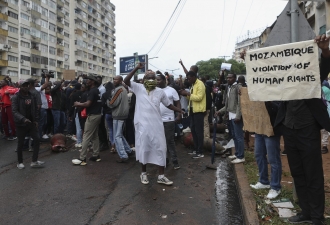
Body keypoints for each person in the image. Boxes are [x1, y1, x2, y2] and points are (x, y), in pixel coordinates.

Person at [274, 35, 330, 225]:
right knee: (298, 173)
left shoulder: (311, 76)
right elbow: (263, 77)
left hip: (308, 130)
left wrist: (325, 50)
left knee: (313, 174)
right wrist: (249, 58)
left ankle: (316, 217)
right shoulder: (283, 80)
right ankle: (306, 212)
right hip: (289, 130)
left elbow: (324, 67)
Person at [123, 63, 184, 185]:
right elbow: (126, 80)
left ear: (157, 80)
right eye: (148, 78)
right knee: (144, 148)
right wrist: (136, 68)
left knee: (161, 148)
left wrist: (179, 110)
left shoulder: (160, 92)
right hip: (142, 126)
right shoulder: (138, 88)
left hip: (157, 125)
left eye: (153, 78)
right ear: (143, 80)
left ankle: (161, 176)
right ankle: (143, 173)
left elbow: (168, 104)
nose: (151, 80)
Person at [249, 101, 282, 199]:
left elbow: (280, 110)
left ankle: (275, 187)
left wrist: (271, 103)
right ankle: (263, 181)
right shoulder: (259, 91)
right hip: (260, 128)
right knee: (259, 155)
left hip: (272, 129)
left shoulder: (277, 92)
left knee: (273, 159)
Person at [12, 80, 44, 169]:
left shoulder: (32, 96)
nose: (25, 87)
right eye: (23, 86)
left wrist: (36, 120)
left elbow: (36, 109)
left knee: (37, 139)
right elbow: (14, 111)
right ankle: (20, 162)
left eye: (27, 85)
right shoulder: (16, 97)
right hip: (21, 124)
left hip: (31, 123)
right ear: (19, 87)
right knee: (20, 143)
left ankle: (34, 161)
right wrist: (23, 119)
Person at [72, 75, 102, 165]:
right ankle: (96, 155)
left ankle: (82, 158)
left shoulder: (92, 91)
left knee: (86, 136)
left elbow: (88, 104)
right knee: (95, 136)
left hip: (93, 116)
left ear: (93, 82)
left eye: (88, 80)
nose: (86, 81)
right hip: (97, 115)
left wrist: (78, 104)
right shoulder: (96, 90)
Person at [215, 73, 244, 164]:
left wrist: (238, 116)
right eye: (227, 78)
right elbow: (227, 104)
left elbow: (240, 103)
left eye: (230, 77)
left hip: (235, 115)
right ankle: (237, 153)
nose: (228, 79)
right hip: (230, 115)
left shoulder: (238, 87)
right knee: (234, 136)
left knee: (239, 136)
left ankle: (241, 156)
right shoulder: (229, 87)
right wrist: (221, 111)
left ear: (235, 78)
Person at [179, 71, 206, 159]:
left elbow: (199, 97)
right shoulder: (193, 85)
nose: (188, 80)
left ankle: (200, 151)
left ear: (194, 76)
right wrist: (185, 94)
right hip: (193, 111)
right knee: (193, 131)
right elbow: (191, 98)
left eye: (189, 78)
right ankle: (196, 149)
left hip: (198, 112)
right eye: (187, 78)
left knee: (199, 132)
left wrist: (188, 94)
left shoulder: (200, 84)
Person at [157, 74, 181, 169]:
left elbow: (177, 103)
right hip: (157, 120)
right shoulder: (155, 91)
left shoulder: (171, 90)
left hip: (169, 120)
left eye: (159, 80)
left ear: (164, 80)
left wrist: (179, 114)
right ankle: (164, 160)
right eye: (156, 80)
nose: (157, 81)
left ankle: (175, 161)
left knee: (169, 140)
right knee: (160, 141)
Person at [107, 76, 134, 162]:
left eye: (116, 79)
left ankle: (123, 156)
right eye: (114, 79)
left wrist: (108, 100)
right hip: (122, 114)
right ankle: (128, 151)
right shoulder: (123, 89)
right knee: (120, 134)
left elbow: (112, 103)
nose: (114, 80)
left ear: (121, 81)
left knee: (117, 136)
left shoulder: (118, 90)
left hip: (118, 114)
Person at [102, 81, 116, 153]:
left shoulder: (104, 95)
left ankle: (112, 144)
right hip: (115, 113)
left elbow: (103, 104)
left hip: (107, 113)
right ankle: (115, 145)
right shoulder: (115, 93)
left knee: (110, 129)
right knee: (116, 130)